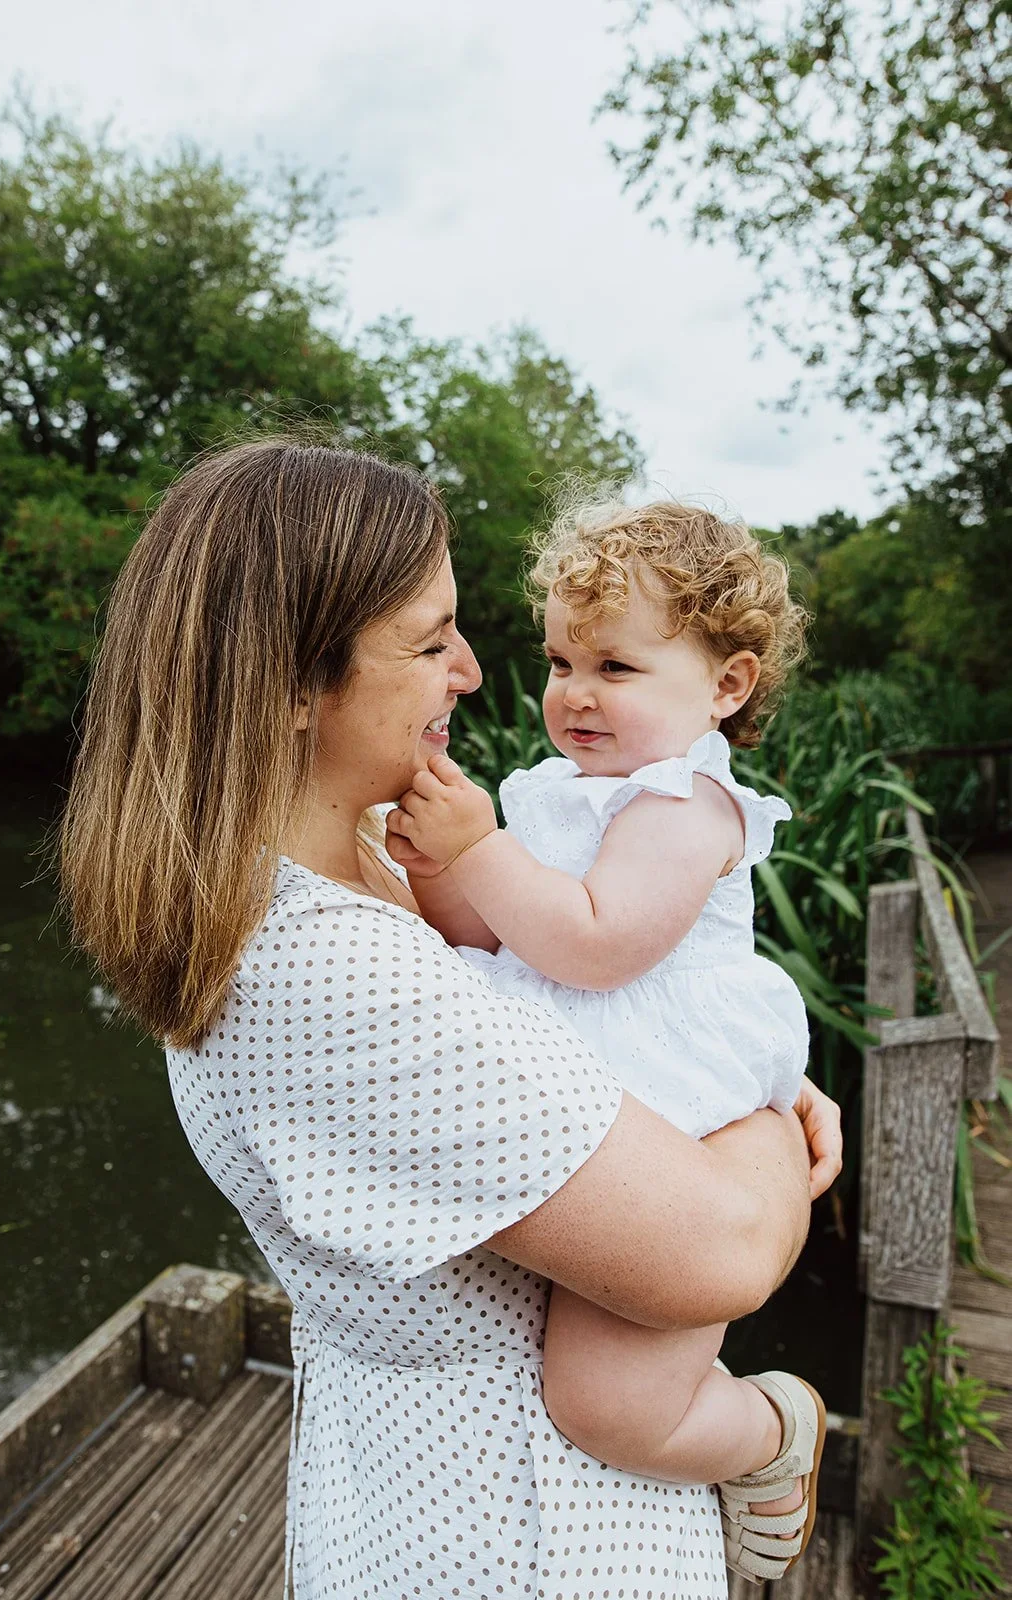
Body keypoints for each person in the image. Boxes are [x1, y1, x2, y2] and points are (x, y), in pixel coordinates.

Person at [58, 440, 841, 1600]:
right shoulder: (335, 980)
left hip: (405, 1489)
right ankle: (776, 1433)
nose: (475, 673)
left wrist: (728, 1057)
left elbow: (584, 979)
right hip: (524, 1539)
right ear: (288, 683)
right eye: (431, 642)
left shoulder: (353, 860)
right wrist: (771, 1120)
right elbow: (715, 1252)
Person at [385, 496, 823, 1586]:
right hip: (587, 1073)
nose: (573, 693)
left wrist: (478, 848)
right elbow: (497, 932)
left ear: (726, 686)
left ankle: (770, 1434)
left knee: (606, 1401)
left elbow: (596, 944)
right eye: (559, 659)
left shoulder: (689, 803)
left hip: (670, 1081)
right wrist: (438, 870)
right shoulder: (556, 792)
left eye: (616, 668)